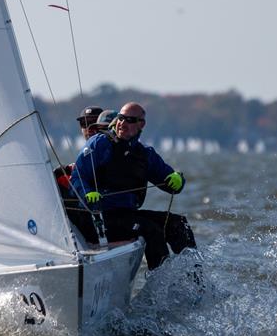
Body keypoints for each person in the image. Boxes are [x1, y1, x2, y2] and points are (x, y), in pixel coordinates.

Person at [70, 102, 196, 269]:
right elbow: (77, 177)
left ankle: (195, 280)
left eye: (129, 120)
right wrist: (87, 193)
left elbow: (169, 181)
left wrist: (178, 181)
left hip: (127, 216)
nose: (122, 123)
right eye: (120, 118)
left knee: (178, 224)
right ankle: (161, 286)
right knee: (151, 230)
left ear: (141, 124)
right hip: (99, 219)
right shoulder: (99, 144)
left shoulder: (144, 154)